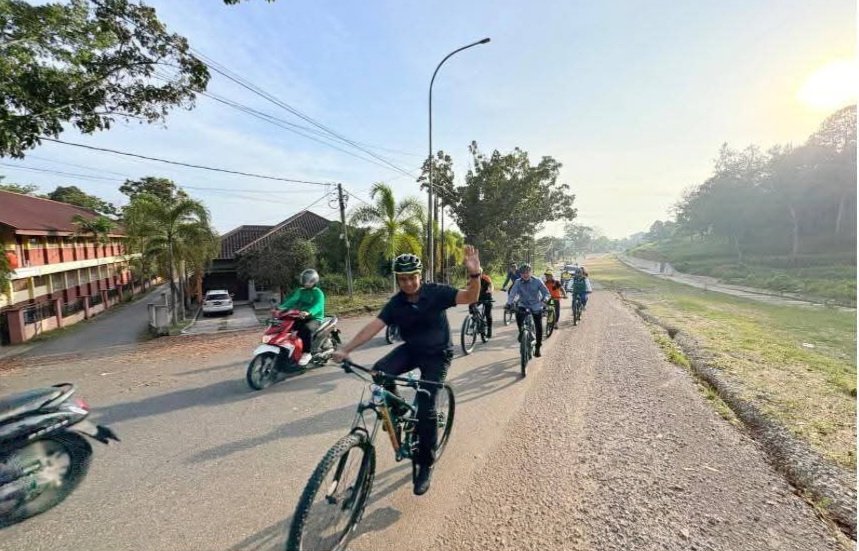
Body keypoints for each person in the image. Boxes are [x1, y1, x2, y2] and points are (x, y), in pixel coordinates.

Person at [332, 247, 483, 496]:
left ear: (419, 275)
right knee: (380, 372)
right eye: (402, 279)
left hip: (437, 355)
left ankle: (425, 464)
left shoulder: (436, 292)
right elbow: (374, 326)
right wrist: (346, 349)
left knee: (426, 408)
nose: (408, 283)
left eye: (412, 277)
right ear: (397, 279)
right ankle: (401, 407)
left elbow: (470, 297)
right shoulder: (396, 303)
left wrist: (475, 274)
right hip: (412, 350)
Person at [278, 269, 325, 366]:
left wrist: (309, 312)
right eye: (304, 280)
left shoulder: (318, 292)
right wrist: (280, 308)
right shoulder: (301, 291)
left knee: (306, 329)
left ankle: (306, 353)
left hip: (315, 318)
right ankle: (292, 351)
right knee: (288, 328)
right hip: (301, 316)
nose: (306, 283)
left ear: (314, 281)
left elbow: (318, 305)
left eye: (308, 281)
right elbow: (292, 300)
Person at [505, 263, 551, 358]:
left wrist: (545, 300)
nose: (525, 275)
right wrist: (509, 304)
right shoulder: (517, 282)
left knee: (538, 326)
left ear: (530, 272)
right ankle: (522, 332)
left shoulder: (538, 281)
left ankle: (538, 346)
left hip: (536, 305)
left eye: (527, 272)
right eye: (523, 273)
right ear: (520, 274)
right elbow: (512, 294)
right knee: (518, 315)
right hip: (523, 304)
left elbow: (547, 293)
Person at [475, 271, 495, 338]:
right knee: (472, 307)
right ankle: (476, 320)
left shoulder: (486, 278)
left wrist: (490, 290)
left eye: (478, 273)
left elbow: (491, 285)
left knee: (487, 313)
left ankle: (489, 329)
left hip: (487, 296)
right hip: (479, 297)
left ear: (481, 273)